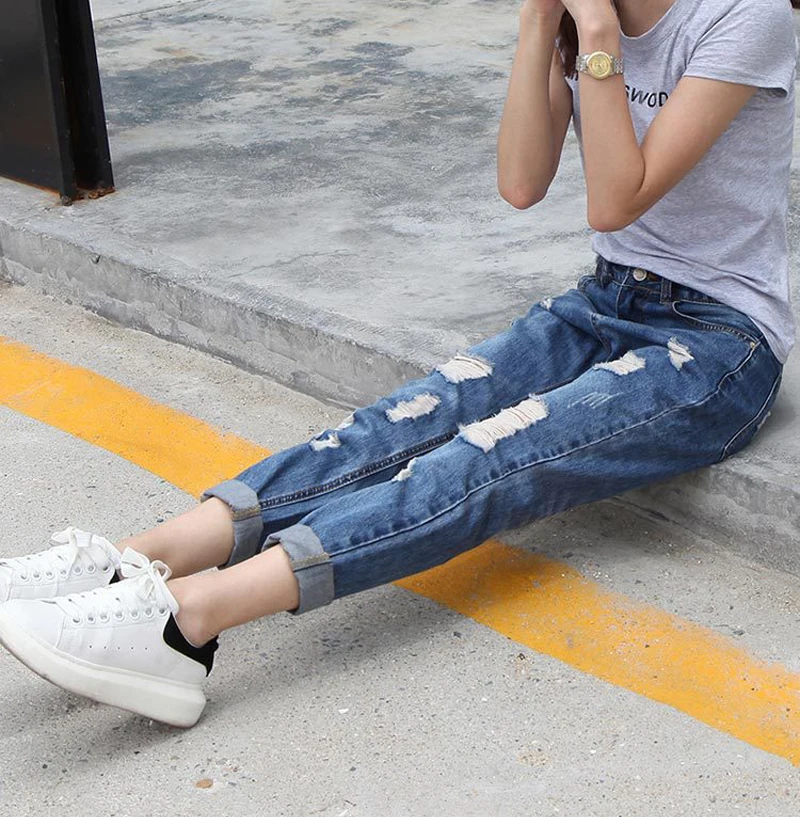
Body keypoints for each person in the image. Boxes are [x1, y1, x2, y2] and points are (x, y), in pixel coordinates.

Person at [0, 0, 796, 728]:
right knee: (411, 415)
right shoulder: (573, 17)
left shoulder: (743, 16)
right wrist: (537, 25)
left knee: (493, 456)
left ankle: (184, 623)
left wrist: (594, 37)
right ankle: (138, 559)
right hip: (604, 299)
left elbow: (616, 199)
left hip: (719, 343)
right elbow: (522, 183)